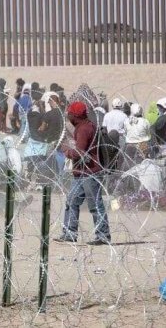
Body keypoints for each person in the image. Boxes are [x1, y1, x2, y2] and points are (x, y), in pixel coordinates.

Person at [55, 101, 111, 245]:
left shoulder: (84, 129)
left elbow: (79, 152)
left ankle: (103, 235)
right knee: (72, 201)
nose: (68, 117)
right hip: (81, 173)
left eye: (69, 114)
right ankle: (69, 233)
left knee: (95, 204)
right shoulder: (86, 126)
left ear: (75, 115)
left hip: (90, 173)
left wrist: (66, 150)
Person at [121, 103, 151, 170]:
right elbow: (148, 133)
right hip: (143, 144)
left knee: (129, 165)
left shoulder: (127, 121)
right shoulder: (145, 121)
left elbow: (126, 132)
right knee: (144, 166)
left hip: (130, 145)